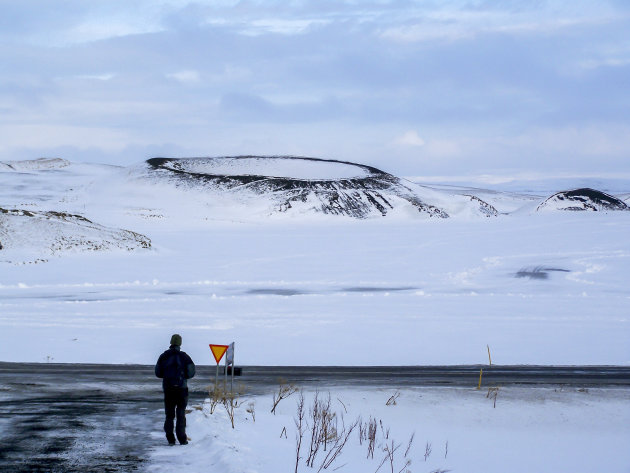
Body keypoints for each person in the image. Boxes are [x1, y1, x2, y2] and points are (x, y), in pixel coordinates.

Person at [155, 334, 196, 445]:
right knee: (181, 414)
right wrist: (183, 377)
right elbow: (191, 372)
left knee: (169, 415)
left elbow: (158, 373)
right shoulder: (185, 357)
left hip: (168, 389)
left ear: (171, 342)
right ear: (180, 343)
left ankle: (170, 438)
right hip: (181, 389)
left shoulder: (164, 356)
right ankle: (182, 439)